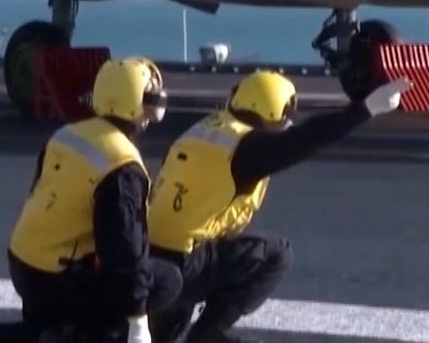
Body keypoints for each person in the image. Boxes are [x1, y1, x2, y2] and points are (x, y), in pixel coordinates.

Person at [0, 56, 183, 343]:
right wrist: (137, 323)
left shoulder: (68, 135)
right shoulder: (122, 166)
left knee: (43, 330)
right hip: (56, 277)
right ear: (139, 105)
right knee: (165, 280)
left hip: (25, 262)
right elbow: (124, 252)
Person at [145, 70, 412, 343]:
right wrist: (365, 109)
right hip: (187, 263)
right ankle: (209, 334)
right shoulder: (249, 147)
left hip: (150, 257)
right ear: (275, 109)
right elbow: (307, 137)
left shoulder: (202, 131)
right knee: (275, 254)